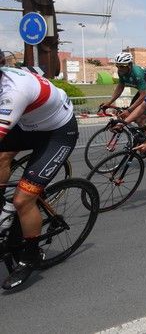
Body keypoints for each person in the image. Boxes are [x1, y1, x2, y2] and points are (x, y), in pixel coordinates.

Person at [0, 64, 78, 289]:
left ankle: (31, 255)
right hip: (28, 124)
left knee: (22, 200)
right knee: (3, 157)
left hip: (58, 134)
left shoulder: (14, 91)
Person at [100, 52, 146, 127]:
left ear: (130, 65)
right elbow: (120, 87)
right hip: (143, 92)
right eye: (117, 66)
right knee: (132, 116)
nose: (119, 69)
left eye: (122, 66)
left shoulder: (137, 74)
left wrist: (129, 110)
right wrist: (109, 102)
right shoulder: (121, 72)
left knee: (139, 119)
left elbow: (143, 95)